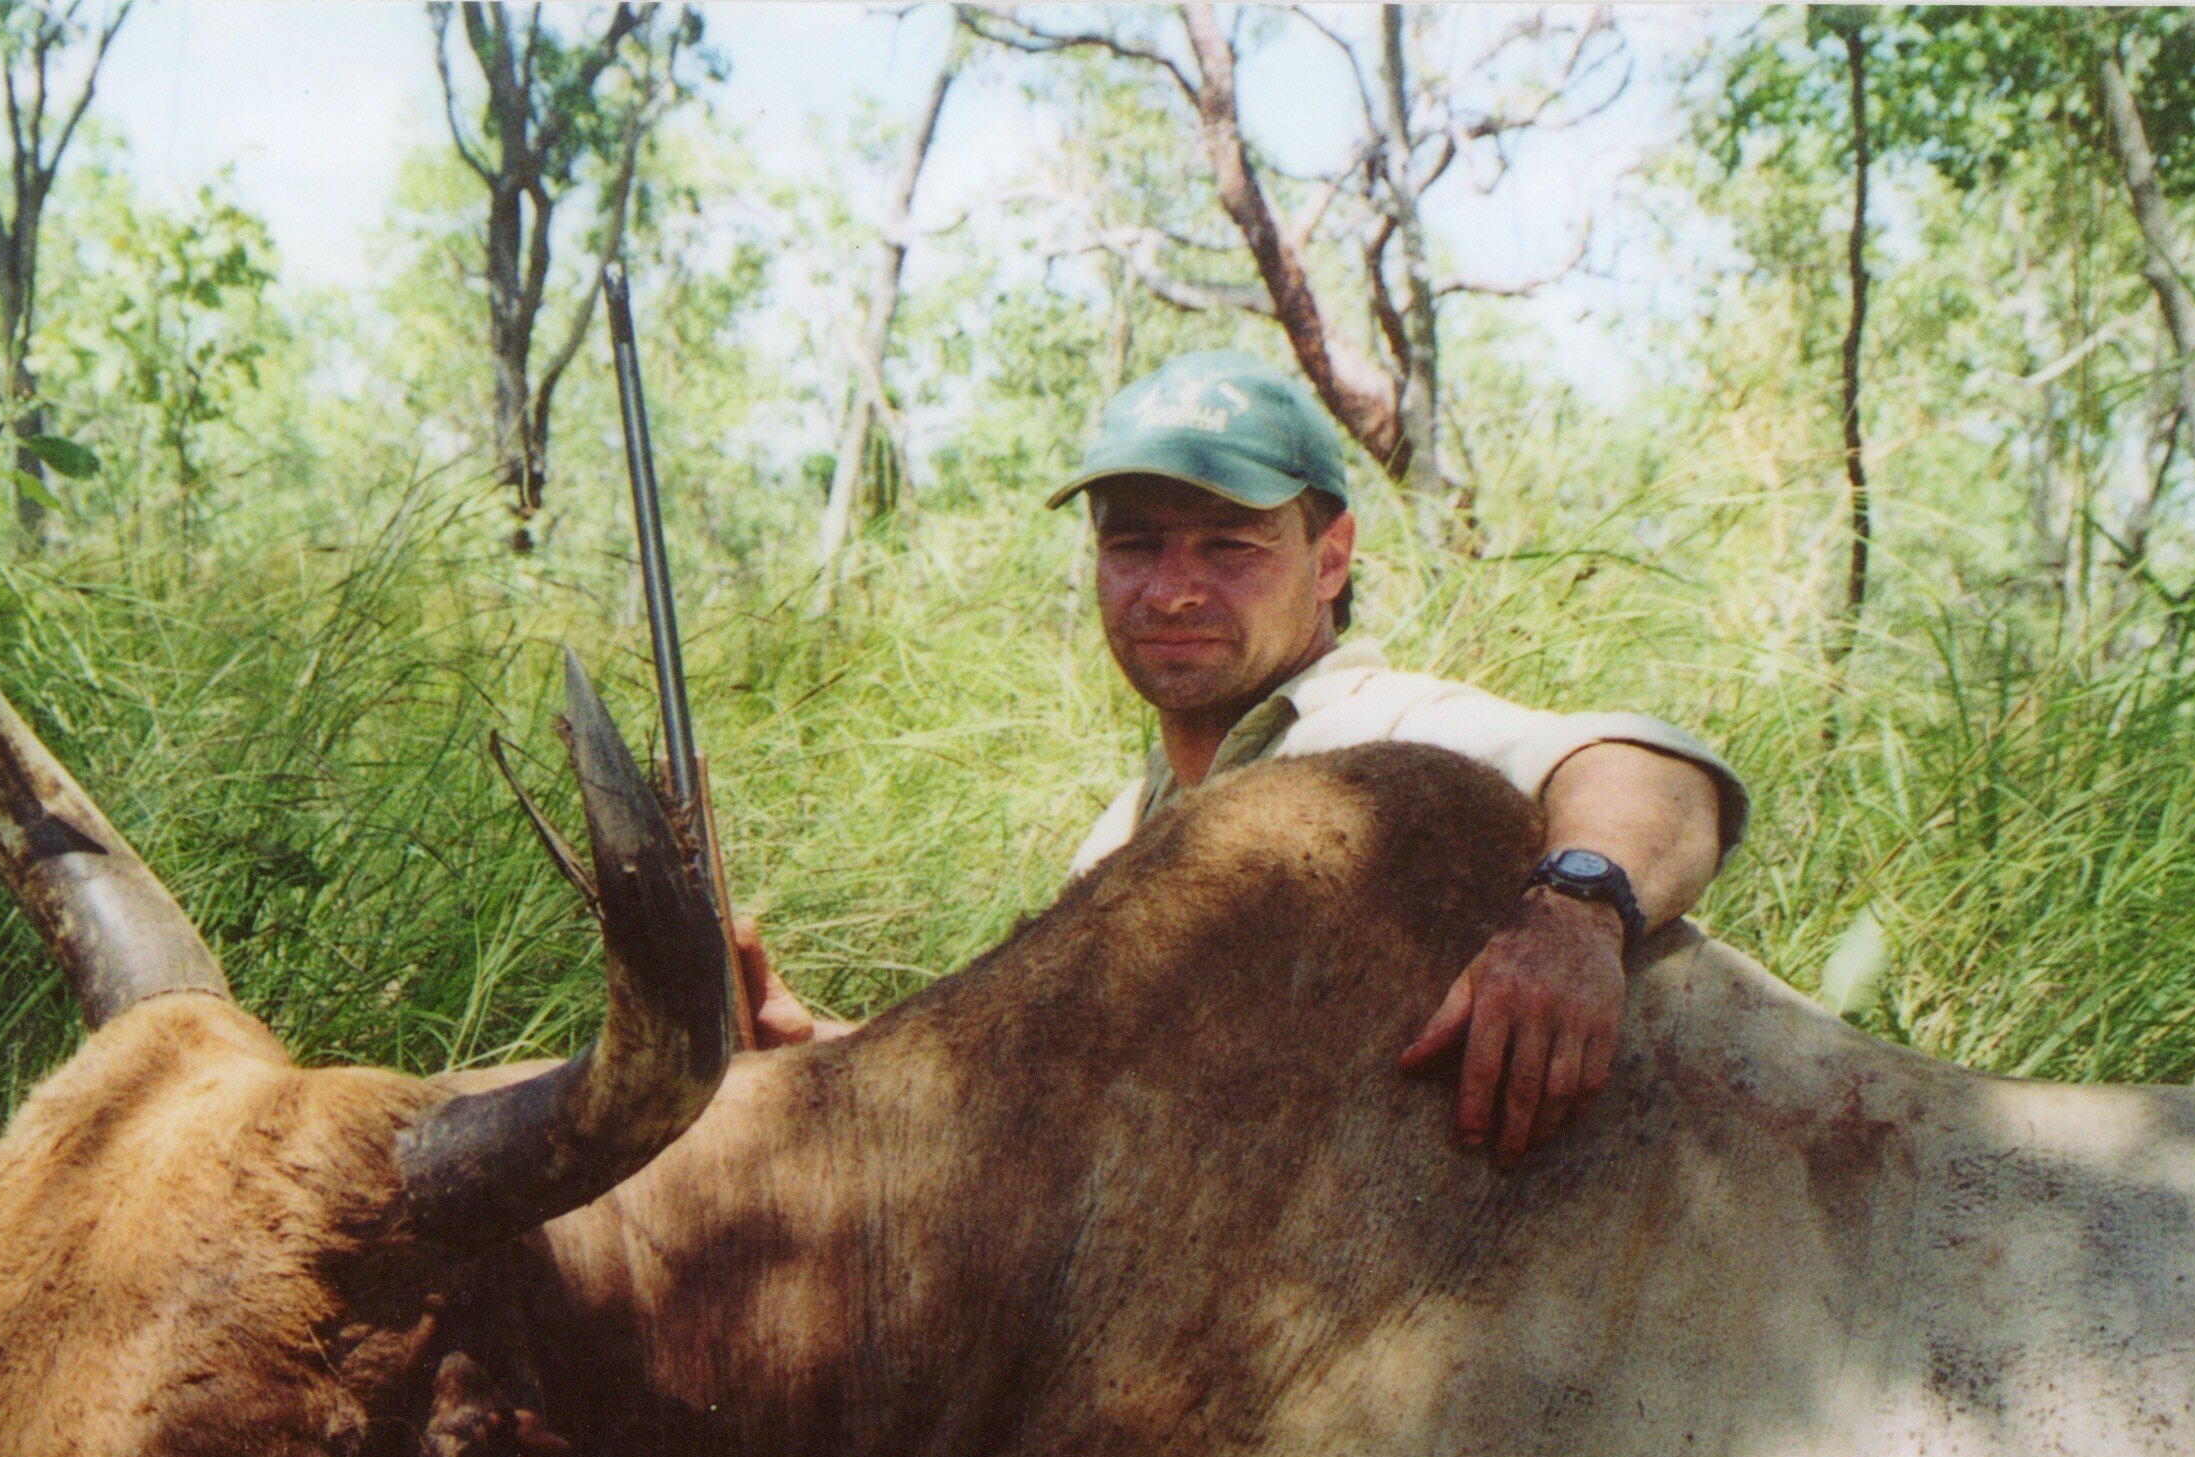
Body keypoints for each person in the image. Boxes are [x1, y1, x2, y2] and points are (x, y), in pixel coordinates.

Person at [737, 347, 1743, 1166]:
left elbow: (1658, 772)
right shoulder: (1126, 826)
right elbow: (1050, 1092)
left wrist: (1574, 914)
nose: (1171, 589)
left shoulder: (1380, 730)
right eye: (1135, 544)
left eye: (1229, 545)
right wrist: (825, 1058)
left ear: (1331, 557)